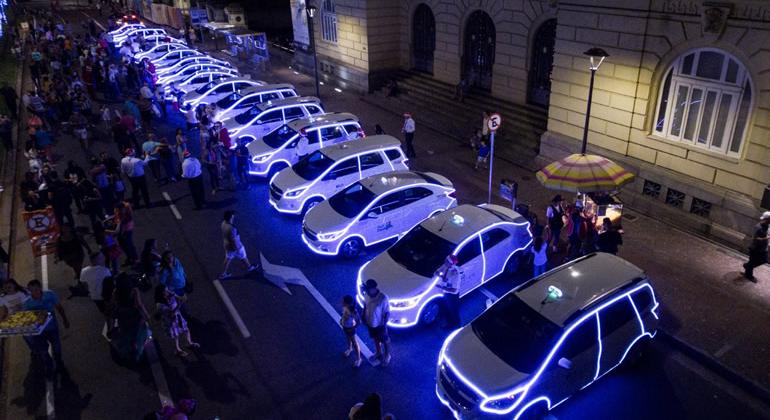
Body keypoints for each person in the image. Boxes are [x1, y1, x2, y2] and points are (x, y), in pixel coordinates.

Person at [24, 280, 70, 377]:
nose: (34, 293)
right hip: (38, 331)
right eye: (31, 291)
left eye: (36, 290)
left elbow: (59, 307)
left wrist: (65, 319)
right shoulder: (27, 303)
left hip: (52, 327)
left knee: (56, 347)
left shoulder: (50, 295)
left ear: (40, 288)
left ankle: (58, 363)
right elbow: (26, 318)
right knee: (43, 351)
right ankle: (49, 366)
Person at [155, 285, 199, 357]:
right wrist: (179, 304)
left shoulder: (170, 296)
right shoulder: (160, 305)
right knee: (176, 335)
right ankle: (177, 350)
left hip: (178, 317)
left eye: (168, 289)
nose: (168, 291)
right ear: (162, 293)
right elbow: (171, 313)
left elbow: (181, 299)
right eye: (166, 291)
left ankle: (189, 343)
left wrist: (176, 295)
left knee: (186, 329)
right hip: (170, 321)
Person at [219, 210, 259, 279]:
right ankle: (249, 267)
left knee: (228, 259)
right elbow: (234, 240)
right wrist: (238, 248)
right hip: (235, 247)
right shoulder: (232, 229)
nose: (233, 218)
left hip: (227, 245)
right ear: (230, 218)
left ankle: (223, 274)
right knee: (243, 256)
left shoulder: (223, 223)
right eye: (232, 217)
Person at [362, 279, 391, 366]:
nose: (366, 290)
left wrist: (384, 324)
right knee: (375, 338)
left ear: (374, 288)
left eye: (368, 289)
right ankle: (378, 352)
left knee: (385, 340)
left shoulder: (383, 298)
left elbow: (387, 312)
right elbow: (365, 305)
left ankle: (387, 355)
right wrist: (363, 316)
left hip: (380, 324)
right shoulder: (366, 295)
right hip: (370, 323)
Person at [435, 255, 463, 329]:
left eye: (447, 261)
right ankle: (449, 322)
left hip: (452, 296)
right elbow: (437, 272)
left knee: (453, 311)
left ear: (451, 264)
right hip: (446, 292)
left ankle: (456, 325)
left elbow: (454, 290)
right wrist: (440, 275)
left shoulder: (455, 274)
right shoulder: (445, 266)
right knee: (446, 309)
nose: (445, 262)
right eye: (445, 260)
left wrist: (441, 287)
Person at [743, 211, 770, 282]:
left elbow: (768, 235)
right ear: (767, 219)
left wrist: (768, 242)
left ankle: (747, 266)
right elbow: (755, 238)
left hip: (764, 248)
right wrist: (765, 238)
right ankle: (749, 276)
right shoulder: (758, 227)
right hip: (755, 248)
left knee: (764, 260)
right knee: (752, 261)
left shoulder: (768, 226)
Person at [113, 201, 138, 266]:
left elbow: (121, 227)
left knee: (127, 245)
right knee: (126, 245)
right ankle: (131, 257)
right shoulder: (123, 209)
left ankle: (133, 259)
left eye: (118, 209)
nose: (117, 211)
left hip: (126, 231)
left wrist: (117, 234)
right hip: (126, 230)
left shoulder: (126, 215)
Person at [340, 295, 362, 368]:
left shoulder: (353, 312)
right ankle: (349, 348)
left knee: (354, 342)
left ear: (348, 304)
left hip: (350, 329)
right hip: (345, 327)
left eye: (343, 301)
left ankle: (359, 359)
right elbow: (344, 315)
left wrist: (352, 328)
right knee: (348, 338)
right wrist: (341, 320)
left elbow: (359, 322)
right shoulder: (345, 307)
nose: (341, 302)